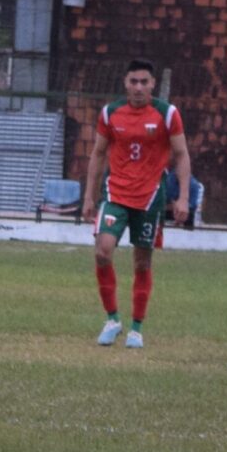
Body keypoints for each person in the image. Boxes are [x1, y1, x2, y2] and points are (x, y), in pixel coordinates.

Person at [82, 58, 191, 349]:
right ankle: (112, 319)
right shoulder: (110, 112)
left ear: (153, 84)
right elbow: (98, 153)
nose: (139, 87)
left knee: (142, 262)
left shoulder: (167, 114)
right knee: (102, 252)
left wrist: (183, 197)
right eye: (134, 81)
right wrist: (89, 196)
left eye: (144, 82)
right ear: (125, 83)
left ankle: (136, 329)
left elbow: (181, 154)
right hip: (115, 194)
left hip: (150, 198)